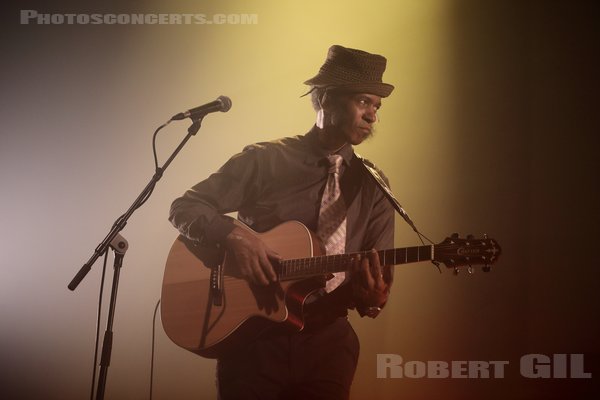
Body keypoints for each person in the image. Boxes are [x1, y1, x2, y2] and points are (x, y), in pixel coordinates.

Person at [169, 45, 396, 400]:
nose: (373, 116)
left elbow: (378, 281)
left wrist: (374, 298)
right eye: (364, 102)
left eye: (377, 107)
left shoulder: (374, 185)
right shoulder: (265, 160)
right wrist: (235, 238)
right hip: (254, 341)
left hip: (328, 345)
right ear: (325, 99)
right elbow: (186, 206)